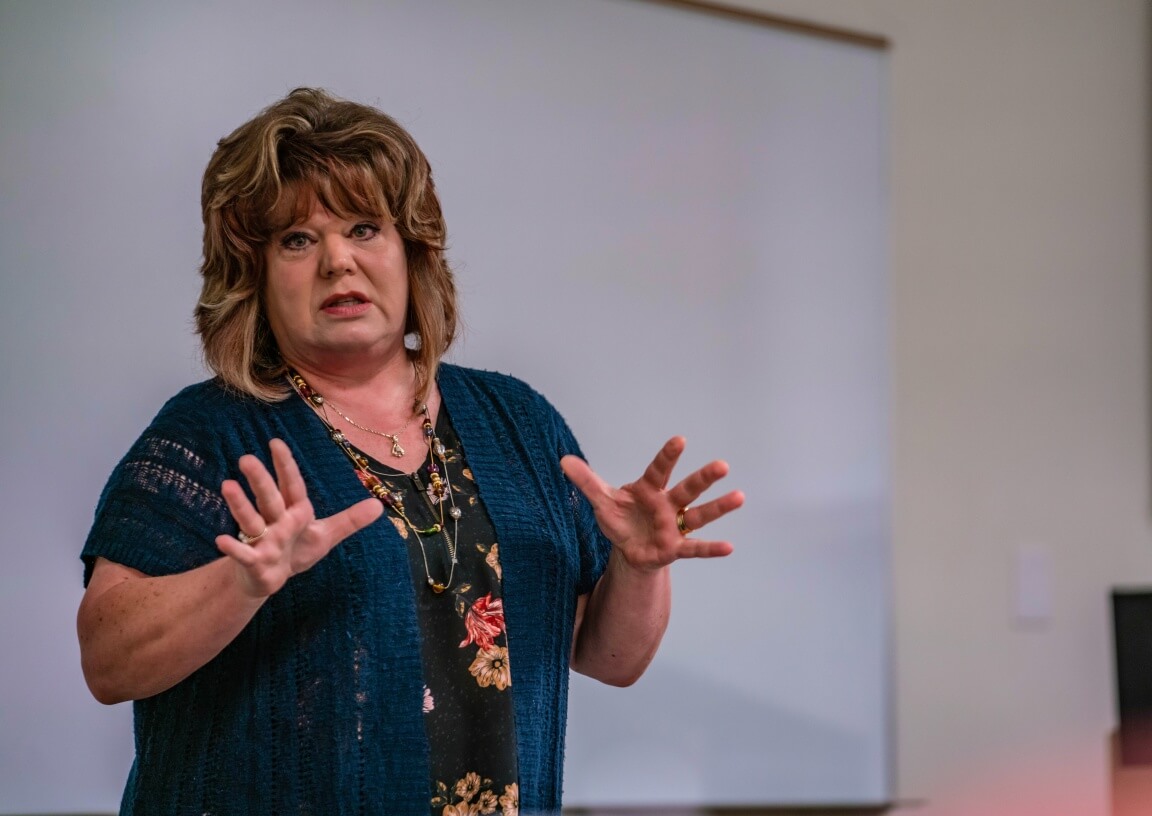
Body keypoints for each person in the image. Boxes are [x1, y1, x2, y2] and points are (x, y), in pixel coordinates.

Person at [77, 87, 743, 816]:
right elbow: (107, 663)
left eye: (365, 229)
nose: (338, 262)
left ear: (411, 252)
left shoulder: (517, 421)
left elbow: (608, 659)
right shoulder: (210, 433)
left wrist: (641, 570)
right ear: (256, 276)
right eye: (296, 240)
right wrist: (241, 585)